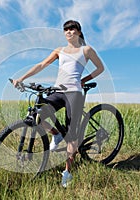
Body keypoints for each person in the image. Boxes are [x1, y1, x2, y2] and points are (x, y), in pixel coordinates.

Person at [12, 20, 105, 187]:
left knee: (72, 134)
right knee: (38, 114)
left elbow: (100, 68)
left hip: (74, 93)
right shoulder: (60, 50)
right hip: (58, 91)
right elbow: (41, 64)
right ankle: (56, 133)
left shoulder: (86, 50)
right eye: (66, 29)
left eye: (72, 29)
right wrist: (22, 78)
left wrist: (84, 80)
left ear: (78, 32)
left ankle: (67, 172)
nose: (69, 32)